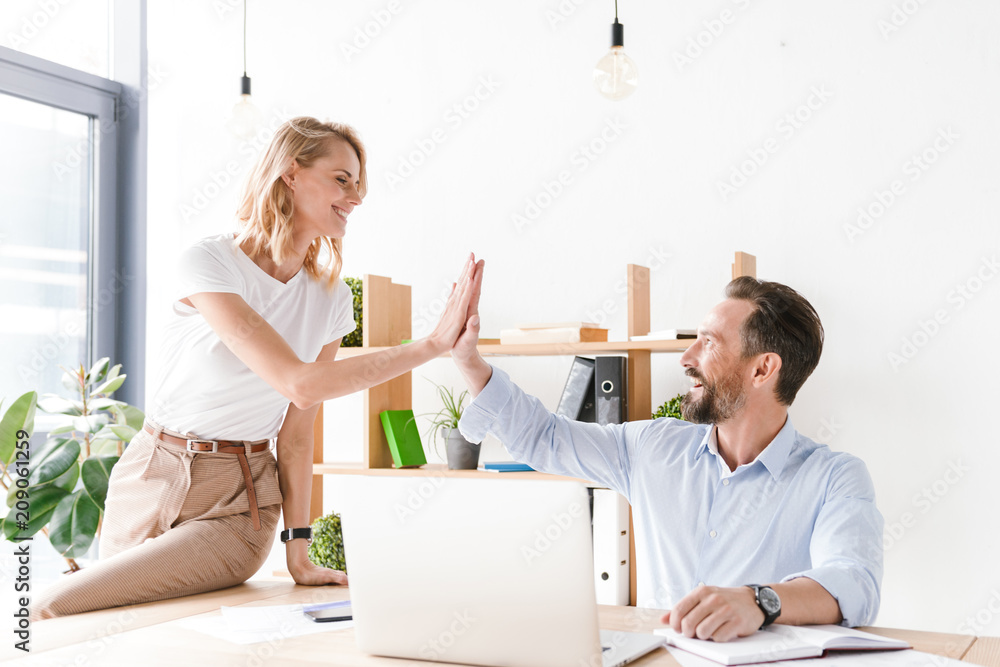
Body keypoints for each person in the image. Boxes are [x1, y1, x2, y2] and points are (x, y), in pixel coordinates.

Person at [32, 117, 484, 619]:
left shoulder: (331, 299)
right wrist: (432, 344)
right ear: (291, 173)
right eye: (342, 179)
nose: (356, 197)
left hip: (238, 499)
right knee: (125, 632)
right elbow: (295, 378)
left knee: (58, 603)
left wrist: (298, 550)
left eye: (359, 185)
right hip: (149, 474)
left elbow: (296, 428)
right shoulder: (209, 262)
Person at [452, 269, 883, 642]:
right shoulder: (652, 447)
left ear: (762, 369)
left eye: (708, 344)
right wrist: (469, 361)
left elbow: (854, 583)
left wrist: (758, 601)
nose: (686, 358)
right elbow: (544, 437)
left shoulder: (834, 477)